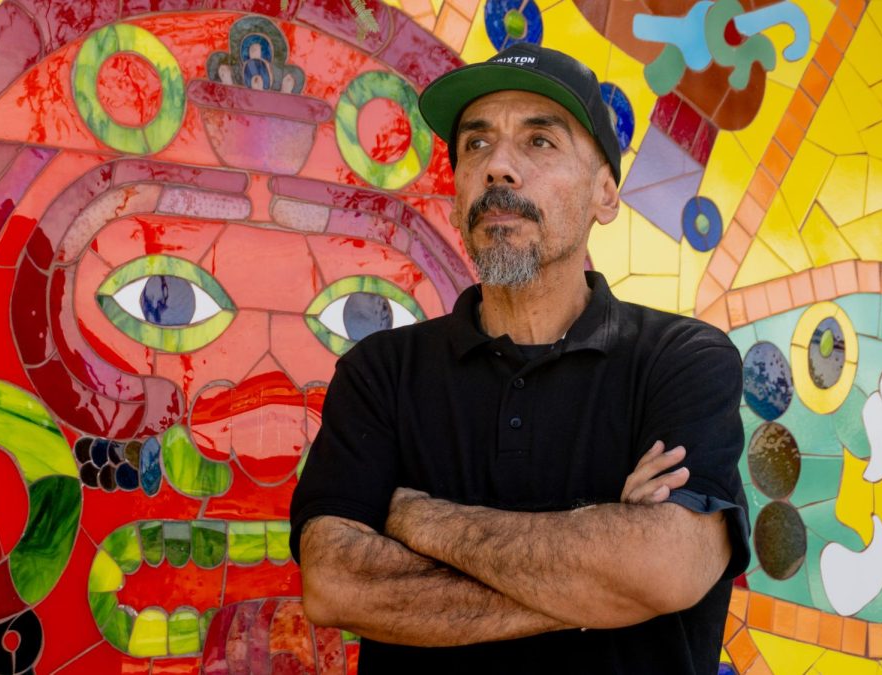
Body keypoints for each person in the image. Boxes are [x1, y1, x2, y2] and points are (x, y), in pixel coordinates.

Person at [289, 42, 750, 674]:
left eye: (540, 141)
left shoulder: (683, 360)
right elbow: (336, 585)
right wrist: (609, 583)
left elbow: (669, 566)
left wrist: (419, 519)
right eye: (476, 144)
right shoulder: (381, 373)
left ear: (605, 195)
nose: (498, 167)